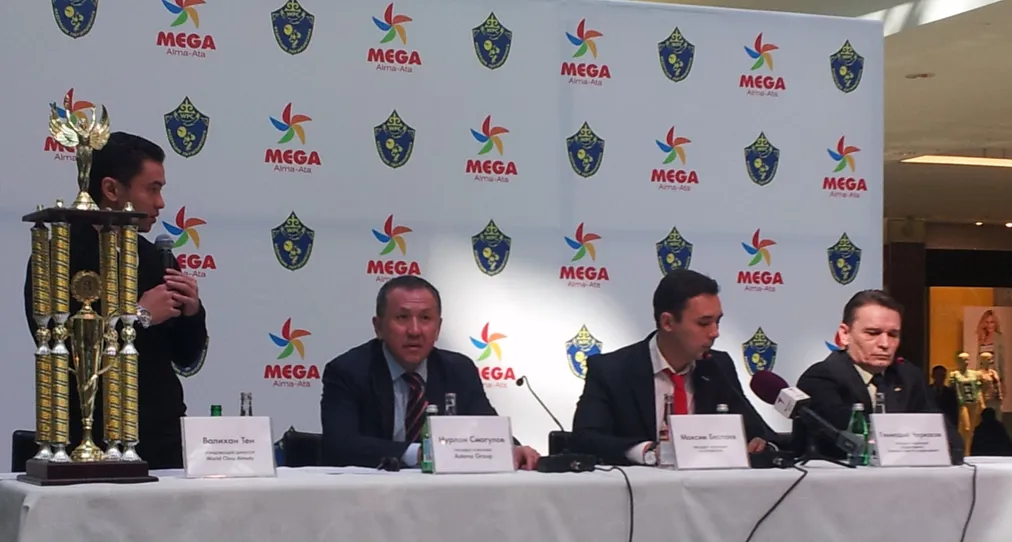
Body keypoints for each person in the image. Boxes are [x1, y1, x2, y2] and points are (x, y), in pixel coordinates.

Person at [23, 132, 208, 469]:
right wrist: (140, 316)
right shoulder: (59, 256)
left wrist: (192, 313)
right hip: (87, 438)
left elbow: (186, 357)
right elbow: (58, 344)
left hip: (161, 436)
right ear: (111, 190)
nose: (160, 203)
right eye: (152, 189)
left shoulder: (154, 259)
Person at [320, 275, 541, 469]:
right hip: (370, 492)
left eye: (425, 318)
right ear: (378, 327)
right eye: (402, 318)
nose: (414, 331)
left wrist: (511, 449)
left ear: (438, 328)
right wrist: (421, 453)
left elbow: (487, 428)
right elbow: (341, 444)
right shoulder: (348, 371)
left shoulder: (458, 370)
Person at [571, 269, 773, 466]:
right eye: (704, 323)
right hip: (639, 485)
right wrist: (647, 451)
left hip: (708, 484)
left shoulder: (717, 366)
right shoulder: (612, 370)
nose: (715, 333)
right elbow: (585, 438)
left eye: (717, 321)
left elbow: (759, 432)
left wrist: (760, 443)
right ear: (667, 322)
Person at [794, 290, 963, 464]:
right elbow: (846, 440)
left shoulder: (909, 376)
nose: (885, 344)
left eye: (893, 335)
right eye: (872, 333)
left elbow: (950, 440)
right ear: (844, 335)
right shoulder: (820, 378)